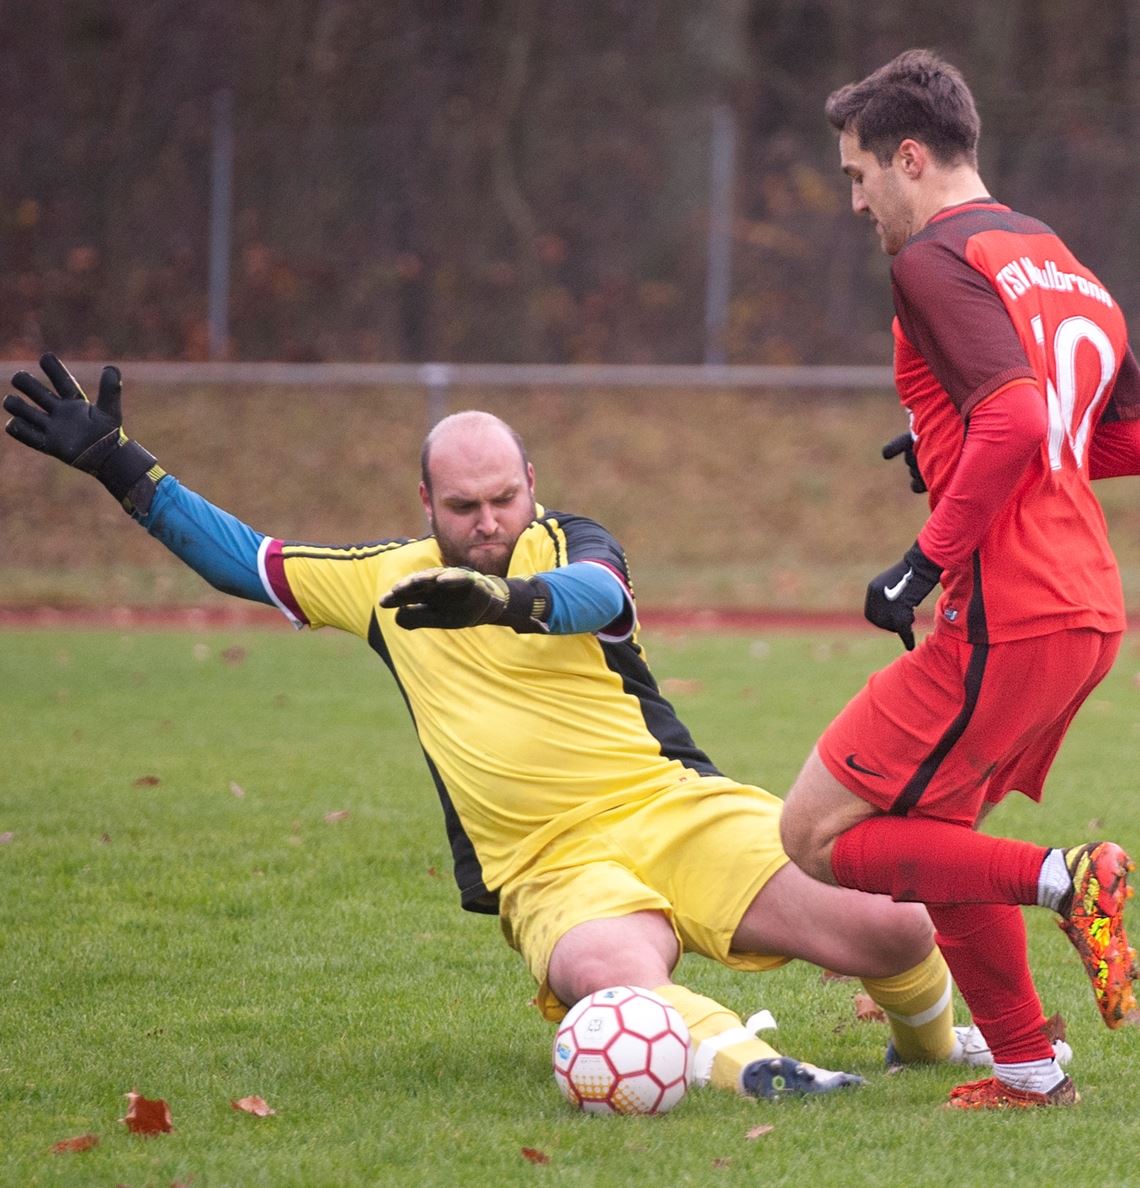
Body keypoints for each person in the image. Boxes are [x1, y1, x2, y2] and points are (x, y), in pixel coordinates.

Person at [6, 354, 989, 1103]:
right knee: (612, 974)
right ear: (425, 503)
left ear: (531, 481)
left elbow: (596, 593)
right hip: (547, 866)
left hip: (675, 810)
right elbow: (245, 561)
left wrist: (507, 600)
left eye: (505, 499)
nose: (488, 522)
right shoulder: (383, 581)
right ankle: (762, 1071)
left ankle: (931, 1049)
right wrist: (119, 466)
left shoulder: (569, 542)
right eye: (465, 506)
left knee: (895, 922)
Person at [779, 48, 1139, 1110]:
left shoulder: (933, 257)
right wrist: (946, 448)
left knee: (815, 833)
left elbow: (1018, 418)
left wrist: (921, 562)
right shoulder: (1054, 257)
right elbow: (1099, 436)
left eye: (859, 176)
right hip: (1085, 604)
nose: (856, 203)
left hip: (1009, 608)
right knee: (935, 836)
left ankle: (1068, 880)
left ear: (910, 157)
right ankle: (1028, 1071)